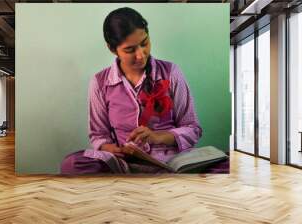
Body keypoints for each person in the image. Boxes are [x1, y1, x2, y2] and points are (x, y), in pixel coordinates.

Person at [60, 7, 204, 174]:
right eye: (130, 50)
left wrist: (158, 136)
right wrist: (109, 148)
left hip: (170, 161)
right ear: (112, 49)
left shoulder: (171, 72)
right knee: (72, 164)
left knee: (223, 163)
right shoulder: (100, 82)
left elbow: (193, 128)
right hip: (124, 164)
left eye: (145, 43)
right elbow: (98, 135)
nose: (141, 55)